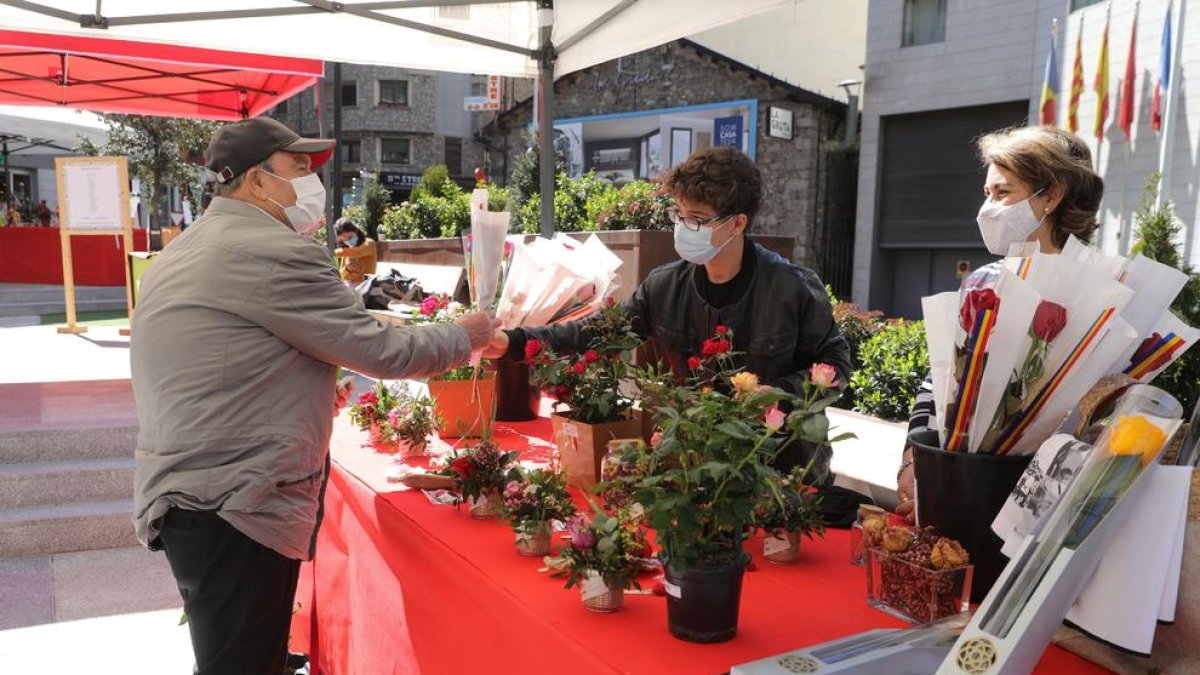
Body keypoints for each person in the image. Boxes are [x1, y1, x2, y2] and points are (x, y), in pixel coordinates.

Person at [131, 116, 501, 675]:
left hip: (199, 493)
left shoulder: (190, 246)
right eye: (298, 169)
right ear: (256, 182)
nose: (313, 184)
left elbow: (224, 359)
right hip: (237, 499)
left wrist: (293, 385)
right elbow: (383, 353)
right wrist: (466, 335)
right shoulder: (271, 249)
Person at [483, 146, 851, 480]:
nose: (683, 227)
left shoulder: (793, 288)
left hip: (782, 474)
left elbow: (837, 363)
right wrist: (513, 342)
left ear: (737, 223)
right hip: (694, 469)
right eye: (679, 214)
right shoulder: (664, 286)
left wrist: (781, 393)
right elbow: (597, 332)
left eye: (697, 218)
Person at [896, 125, 1104, 523]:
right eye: (987, 194)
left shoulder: (1099, 293)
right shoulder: (983, 282)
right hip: (962, 487)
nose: (988, 208)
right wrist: (913, 459)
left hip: (1048, 504)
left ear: (1052, 195)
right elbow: (940, 380)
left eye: (1003, 192)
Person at [333, 217, 377, 285]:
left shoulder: (369, 243)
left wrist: (332, 253)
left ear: (356, 231)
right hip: (348, 287)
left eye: (350, 237)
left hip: (365, 286)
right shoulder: (346, 251)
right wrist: (347, 269)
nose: (347, 241)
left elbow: (358, 252)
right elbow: (341, 275)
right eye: (344, 240)